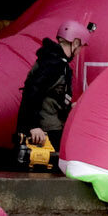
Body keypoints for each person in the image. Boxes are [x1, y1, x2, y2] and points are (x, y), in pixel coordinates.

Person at [15, 21, 87, 163]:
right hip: (44, 133)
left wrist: (69, 106)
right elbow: (32, 92)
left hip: (52, 128)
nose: (79, 52)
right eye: (81, 47)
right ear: (76, 43)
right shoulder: (53, 63)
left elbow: (51, 96)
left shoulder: (59, 63)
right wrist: (33, 126)